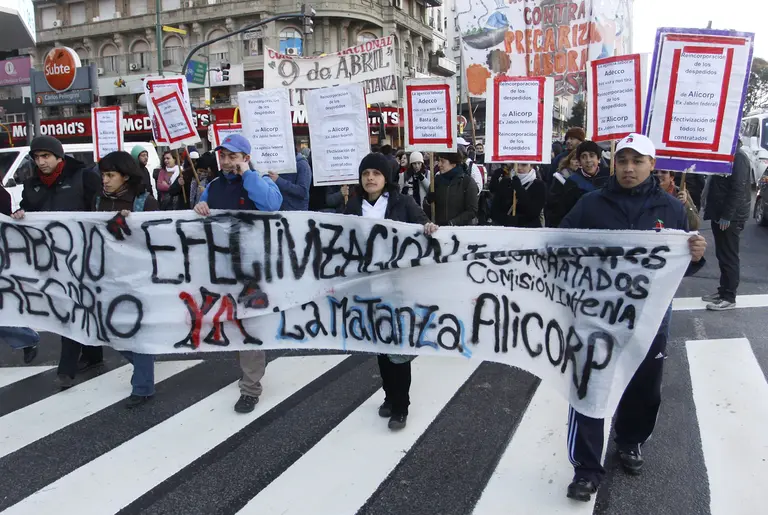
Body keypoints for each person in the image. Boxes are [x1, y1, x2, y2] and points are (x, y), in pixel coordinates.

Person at [559, 133, 707, 502]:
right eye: (622, 160)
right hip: (596, 316)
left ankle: (630, 441)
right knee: (589, 384)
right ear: (614, 164)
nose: (628, 168)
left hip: (649, 317)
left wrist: (695, 256)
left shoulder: (671, 209)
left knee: (643, 383)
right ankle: (586, 468)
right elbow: (556, 246)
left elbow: (680, 270)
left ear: (651, 165)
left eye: (637, 161)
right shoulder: (590, 204)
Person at [344, 152, 438, 430]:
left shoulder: (402, 203)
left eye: (376, 173)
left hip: (398, 288)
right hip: (368, 289)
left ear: (386, 178)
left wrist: (428, 227)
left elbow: (422, 223)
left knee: (398, 350)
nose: (370, 178)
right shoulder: (352, 207)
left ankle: (401, 406)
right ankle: (388, 396)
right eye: (365, 174)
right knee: (381, 349)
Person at [193, 134, 283, 413]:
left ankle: (250, 387)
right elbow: (198, 218)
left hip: (253, 268)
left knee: (249, 326)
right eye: (223, 156)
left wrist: (248, 176)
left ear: (245, 158)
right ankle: (250, 371)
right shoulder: (214, 186)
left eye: (233, 156)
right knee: (230, 322)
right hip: (222, 267)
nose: (227, 161)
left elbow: (271, 205)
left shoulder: (261, 181)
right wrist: (199, 208)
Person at [11, 135, 103, 388]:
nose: (41, 162)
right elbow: (28, 212)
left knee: (73, 307)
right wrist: (21, 215)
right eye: (36, 157)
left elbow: (101, 210)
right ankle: (93, 354)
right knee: (72, 306)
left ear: (59, 157)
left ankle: (67, 369)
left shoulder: (83, 177)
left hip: (84, 255)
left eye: (46, 156)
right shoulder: (32, 185)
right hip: (51, 259)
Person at [93, 151, 161, 407]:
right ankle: (145, 359)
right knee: (109, 330)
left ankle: (142, 386)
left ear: (125, 175)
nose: (105, 181)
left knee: (137, 331)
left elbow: (159, 240)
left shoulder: (145, 202)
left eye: (110, 175)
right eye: (103, 175)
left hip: (139, 277)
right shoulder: (99, 201)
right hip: (109, 275)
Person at [701, 141, 752, 310]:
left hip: (730, 218)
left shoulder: (739, 158)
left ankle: (729, 297)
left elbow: (738, 189)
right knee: (722, 255)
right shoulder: (726, 155)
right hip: (720, 214)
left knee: (729, 257)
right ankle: (723, 291)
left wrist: (727, 216)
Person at [545, 141, 609, 228]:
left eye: (592, 155)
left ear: (598, 158)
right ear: (579, 161)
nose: (588, 160)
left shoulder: (609, 177)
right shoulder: (572, 182)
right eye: (584, 156)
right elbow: (562, 213)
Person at [423, 151, 479, 226]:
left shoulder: (467, 182)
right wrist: (428, 202)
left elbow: (472, 210)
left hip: (460, 232)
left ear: (453, 163)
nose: (439, 164)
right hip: (439, 231)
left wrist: (452, 223)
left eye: (442, 161)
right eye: (438, 161)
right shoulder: (436, 182)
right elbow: (427, 210)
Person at [490, 163, 546, 227]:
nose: (519, 167)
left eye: (524, 164)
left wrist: (519, 189)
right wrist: (507, 220)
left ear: (531, 166)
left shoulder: (539, 185)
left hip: (529, 230)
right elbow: (494, 210)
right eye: (516, 164)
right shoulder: (505, 182)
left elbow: (533, 212)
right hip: (506, 229)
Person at [268, 141, 312, 211]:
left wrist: (278, 180)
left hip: (295, 213)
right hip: (278, 211)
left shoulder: (302, 165)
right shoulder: (278, 164)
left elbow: (303, 191)